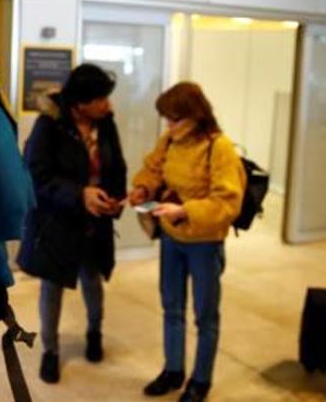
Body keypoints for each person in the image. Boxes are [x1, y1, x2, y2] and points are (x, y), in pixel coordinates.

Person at [128, 82, 244, 402]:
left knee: (205, 315)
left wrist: (186, 209)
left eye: (174, 119)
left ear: (194, 116)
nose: (168, 125)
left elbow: (228, 202)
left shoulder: (219, 148)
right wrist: (142, 189)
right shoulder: (170, 141)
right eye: (166, 119)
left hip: (205, 244)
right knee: (171, 307)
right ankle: (173, 370)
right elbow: (153, 170)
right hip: (172, 237)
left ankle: (201, 379)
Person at [16, 64, 127, 384]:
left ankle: (95, 333)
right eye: (101, 99)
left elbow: (116, 165)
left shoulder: (106, 124)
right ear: (80, 102)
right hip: (58, 222)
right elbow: (37, 175)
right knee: (53, 286)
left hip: (96, 221)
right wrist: (80, 194)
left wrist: (115, 197)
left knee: (93, 280)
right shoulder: (49, 125)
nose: (107, 104)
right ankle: (50, 351)